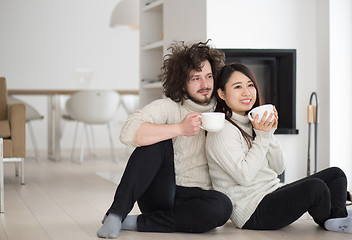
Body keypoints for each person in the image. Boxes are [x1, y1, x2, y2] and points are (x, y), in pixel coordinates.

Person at [97, 40, 232, 238]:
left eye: (209, 76)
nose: (205, 85)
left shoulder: (221, 109)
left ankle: (134, 222)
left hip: (196, 198)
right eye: (196, 78)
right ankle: (117, 214)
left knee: (222, 206)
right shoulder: (170, 107)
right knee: (155, 140)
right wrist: (179, 128)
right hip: (161, 193)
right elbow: (127, 132)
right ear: (182, 82)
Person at [205, 63, 352, 233]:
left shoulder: (253, 122)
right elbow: (244, 176)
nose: (247, 92)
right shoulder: (222, 130)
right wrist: (263, 136)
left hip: (272, 193)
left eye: (250, 85)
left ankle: (338, 218)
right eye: (238, 87)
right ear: (222, 93)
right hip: (252, 212)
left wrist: (269, 133)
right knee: (316, 188)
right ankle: (337, 218)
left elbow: (278, 167)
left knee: (336, 174)